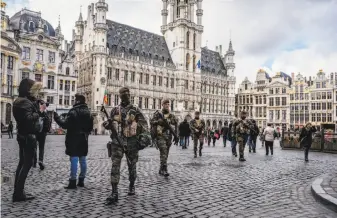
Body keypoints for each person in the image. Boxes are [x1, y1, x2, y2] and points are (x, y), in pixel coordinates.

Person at [103, 87, 150, 205]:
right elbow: (111, 124)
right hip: (117, 142)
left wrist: (143, 141)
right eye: (123, 94)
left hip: (132, 142)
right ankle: (114, 192)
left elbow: (144, 125)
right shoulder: (115, 110)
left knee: (132, 166)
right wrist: (107, 125)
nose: (126, 95)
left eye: (127, 94)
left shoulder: (135, 110)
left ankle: (132, 185)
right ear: (120, 96)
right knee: (115, 167)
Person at [54, 94, 93, 189]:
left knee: (74, 159)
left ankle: (72, 181)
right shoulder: (88, 112)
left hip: (74, 138)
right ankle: (81, 180)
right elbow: (90, 128)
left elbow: (65, 125)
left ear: (78, 101)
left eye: (75, 100)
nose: (74, 101)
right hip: (84, 138)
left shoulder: (73, 111)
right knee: (83, 160)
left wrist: (57, 118)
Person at [12, 78, 43, 202]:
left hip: (22, 134)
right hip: (28, 136)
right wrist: (39, 112)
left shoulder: (19, 100)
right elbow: (29, 118)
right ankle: (19, 193)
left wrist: (34, 103)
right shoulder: (25, 102)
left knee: (21, 163)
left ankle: (18, 191)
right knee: (27, 164)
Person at [150, 99, 178, 177]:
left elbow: (176, 124)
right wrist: (158, 122)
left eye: (168, 104)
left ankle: (161, 168)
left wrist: (176, 135)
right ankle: (164, 169)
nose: (167, 105)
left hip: (169, 136)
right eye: (165, 104)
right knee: (164, 151)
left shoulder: (171, 115)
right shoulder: (158, 114)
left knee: (166, 154)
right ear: (162, 105)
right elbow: (151, 122)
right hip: (160, 135)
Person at [33, 101, 51, 170]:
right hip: (42, 133)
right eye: (44, 105)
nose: (45, 106)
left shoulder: (36, 112)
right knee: (41, 148)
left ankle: (35, 161)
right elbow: (48, 123)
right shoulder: (44, 113)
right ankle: (40, 160)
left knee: (35, 147)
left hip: (37, 132)